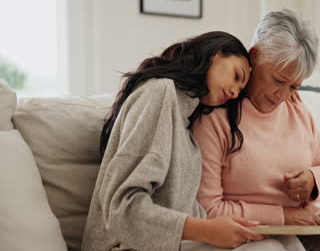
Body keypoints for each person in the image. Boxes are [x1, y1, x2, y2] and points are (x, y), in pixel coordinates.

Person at [193, 9, 320, 251]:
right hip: (247, 225)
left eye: (294, 86)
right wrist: (282, 215)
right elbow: (208, 209)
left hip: (300, 220)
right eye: (278, 80)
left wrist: (312, 180)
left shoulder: (297, 108)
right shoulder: (217, 114)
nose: (283, 96)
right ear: (255, 56)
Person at [81, 31, 287, 251]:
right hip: (126, 245)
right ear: (215, 55)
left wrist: (221, 228)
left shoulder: (186, 119)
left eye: (240, 89)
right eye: (237, 76)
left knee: (283, 243)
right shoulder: (159, 93)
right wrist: (207, 230)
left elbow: (181, 208)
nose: (236, 93)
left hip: (171, 244)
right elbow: (121, 209)